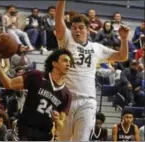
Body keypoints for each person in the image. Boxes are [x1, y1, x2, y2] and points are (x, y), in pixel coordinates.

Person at [55, 0, 129, 141]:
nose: (77, 30)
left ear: (88, 30)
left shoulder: (97, 48)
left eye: (81, 27)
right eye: (74, 27)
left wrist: (124, 39)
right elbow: (58, 19)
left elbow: (122, 56)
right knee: (63, 139)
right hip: (66, 101)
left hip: (87, 102)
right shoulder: (66, 40)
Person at [0, 48, 73, 141]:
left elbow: (60, 126)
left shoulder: (67, 95)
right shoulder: (37, 76)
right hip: (25, 129)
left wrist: (57, 121)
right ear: (54, 63)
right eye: (65, 60)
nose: (68, 64)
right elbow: (9, 84)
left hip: (45, 134)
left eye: (70, 62)